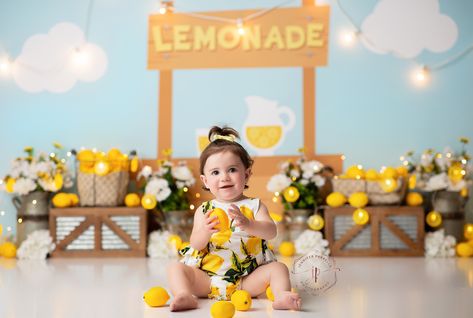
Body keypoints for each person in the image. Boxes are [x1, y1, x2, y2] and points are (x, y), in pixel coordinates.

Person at [167, 126, 301, 312]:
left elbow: (271, 232)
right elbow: (195, 244)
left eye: (232, 169)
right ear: (205, 181)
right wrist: (205, 231)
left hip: (247, 280)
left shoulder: (255, 205)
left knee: (279, 269)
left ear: (246, 174)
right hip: (207, 280)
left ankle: (282, 296)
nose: (224, 178)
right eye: (215, 172)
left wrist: (250, 224)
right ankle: (184, 295)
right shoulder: (204, 210)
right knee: (176, 269)